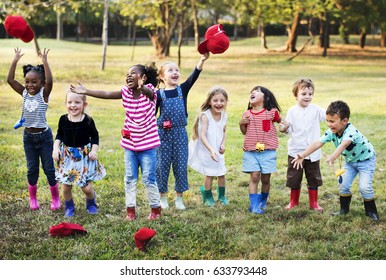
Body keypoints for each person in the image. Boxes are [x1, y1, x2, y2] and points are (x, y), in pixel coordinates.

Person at [70, 63, 162, 221]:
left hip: (148, 147)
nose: (128, 76)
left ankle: (155, 209)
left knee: (148, 178)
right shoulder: (126, 92)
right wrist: (86, 91)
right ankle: (130, 211)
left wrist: (142, 87)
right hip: (130, 147)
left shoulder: (151, 93)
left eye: (133, 73)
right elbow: (106, 93)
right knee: (130, 178)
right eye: (127, 73)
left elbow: (147, 92)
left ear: (144, 78)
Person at [292, 100, 379, 221]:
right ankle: (344, 210)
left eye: (332, 121)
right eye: (327, 120)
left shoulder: (350, 131)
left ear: (344, 121)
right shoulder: (332, 132)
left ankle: (371, 211)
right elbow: (318, 143)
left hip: (366, 161)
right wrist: (302, 154)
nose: (329, 124)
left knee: (364, 187)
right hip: (350, 162)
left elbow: (343, 145)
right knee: (343, 185)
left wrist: (333, 156)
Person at [7, 47, 60, 211]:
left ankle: (56, 199)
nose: (29, 85)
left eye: (34, 82)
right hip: (28, 138)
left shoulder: (44, 95)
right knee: (32, 169)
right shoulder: (23, 93)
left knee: (49, 169)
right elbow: (10, 80)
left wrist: (45, 62)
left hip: (44, 138)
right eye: (27, 81)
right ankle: (33, 199)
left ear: (42, 83)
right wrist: (15, 60)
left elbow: (51, 82)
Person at [156, 53, 210, 210]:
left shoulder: (183, 90)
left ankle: (179, 198)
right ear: (161, 77)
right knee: (162, 166)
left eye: (177, 70)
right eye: (170, 70)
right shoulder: (158, 95)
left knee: (180, 165)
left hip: (180, 133)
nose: (175, 72)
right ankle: (163, 197)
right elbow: (152, 114)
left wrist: (202, 60)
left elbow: (194, 76)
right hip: (163, 135)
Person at [53, 92, 106, 217]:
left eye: (77, 102)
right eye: (70, 102)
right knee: (66, 188)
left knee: (86, 188)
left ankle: (91, 203)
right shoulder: (63, 119)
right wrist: (55, 148)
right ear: (65, 103)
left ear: (84, 104)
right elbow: (59, 135)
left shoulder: (87, 120)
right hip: (68, 158)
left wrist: (94, 150)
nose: (73, 105)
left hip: (84, 158)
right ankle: (69, 207)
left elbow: (95, 137)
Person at [279, 78, 326, 212]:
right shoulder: (292, 111)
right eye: (303, 94)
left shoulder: (316, 109)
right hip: (295, 151)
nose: (307, 97)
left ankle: (314, 203)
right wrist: (284, 128)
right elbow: (288, 130)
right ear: (296, 95)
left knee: (314, 178)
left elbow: (327, 115)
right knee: (294, 177)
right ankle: (293, 202)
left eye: (310, 94)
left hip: (313, 153)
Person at [239, 86, 283, 214]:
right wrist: (241, 123)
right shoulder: (246, 114)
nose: (253, 93)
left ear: (266, 98)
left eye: (257, 91)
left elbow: (281, 122)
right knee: (254, 176)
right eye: (252, 92)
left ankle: (263, 201)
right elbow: (244, 132)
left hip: (268, 151)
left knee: (265, 179)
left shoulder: (271, 113)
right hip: (251, 151)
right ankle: (254, 205)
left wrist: (283, 125)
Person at [188, 86, 229, 206]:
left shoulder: (224, 115)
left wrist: (222, 144)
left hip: (218, 150)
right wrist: (211, 149)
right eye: (215, 100)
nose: (219, 103)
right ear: (209, 101)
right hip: (207, 149)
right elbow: (202, 135)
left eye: (222, 100)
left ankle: (222, 196)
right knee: (210, 173)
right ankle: (207, 196)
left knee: (221, 173)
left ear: (226, 102)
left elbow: (224, 131)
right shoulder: (205, 116)